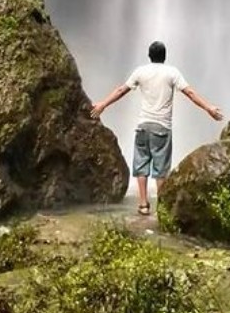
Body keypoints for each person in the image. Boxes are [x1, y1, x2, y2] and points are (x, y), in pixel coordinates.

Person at [90, 40, 222, 216]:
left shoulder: (140, 72)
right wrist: (209, 108)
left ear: (149, 56)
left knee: (141, 165)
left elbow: (122, 90)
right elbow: (189, 93)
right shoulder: (172, 73)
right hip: (162, 127)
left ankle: (143, 204)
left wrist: (103, 104)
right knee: (161, 170)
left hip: (143, 126)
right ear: (165, 56)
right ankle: (161, 206)